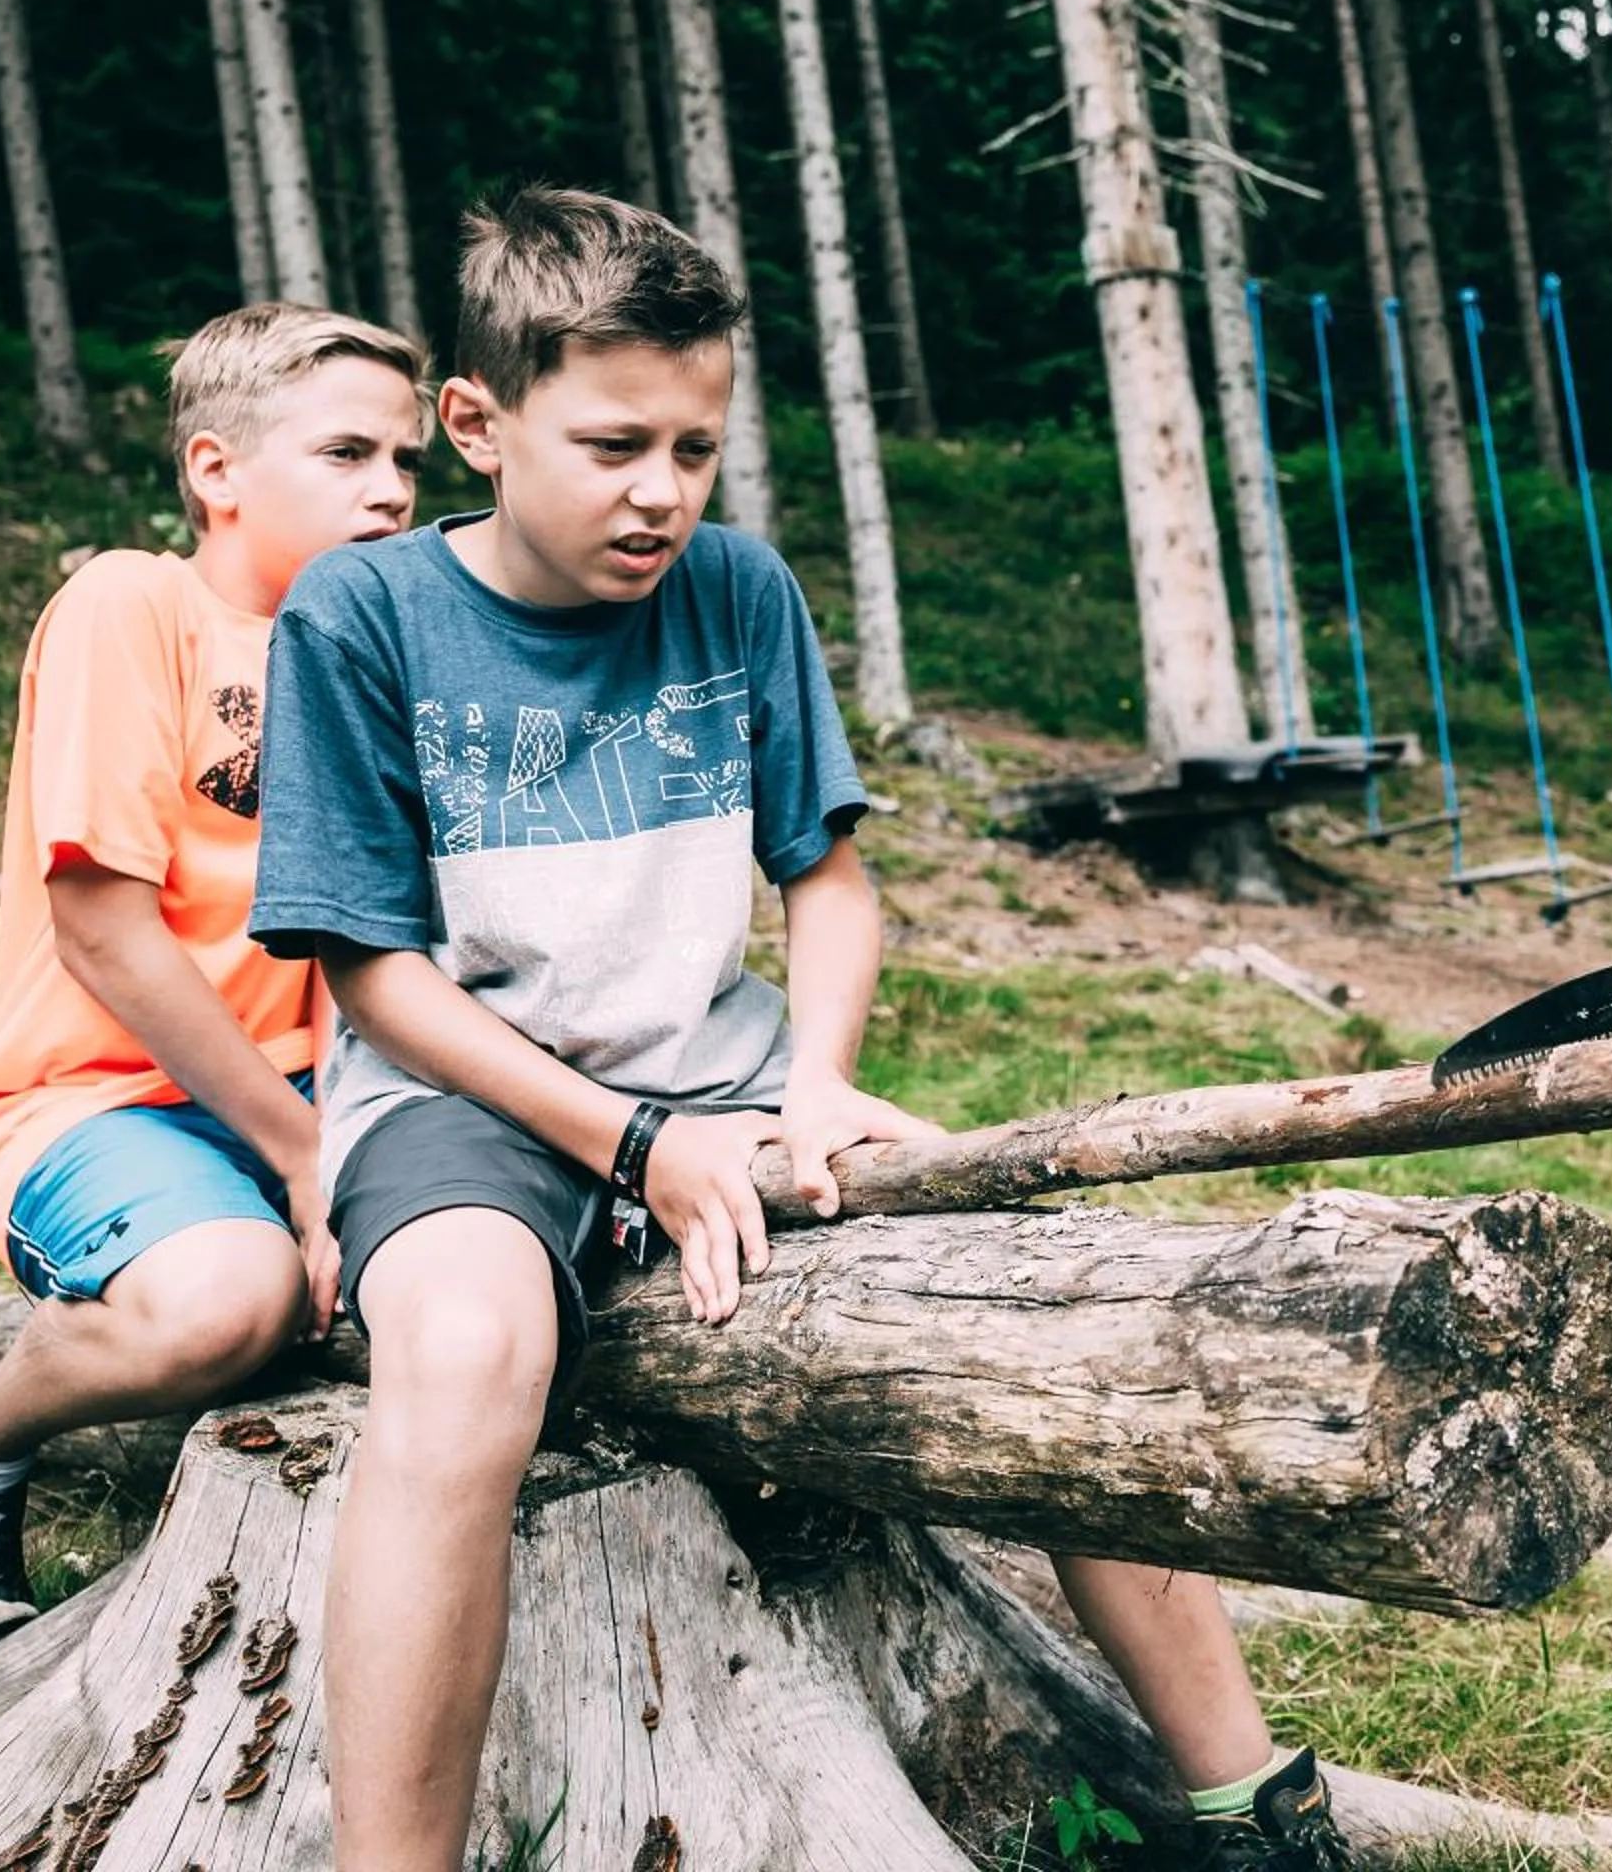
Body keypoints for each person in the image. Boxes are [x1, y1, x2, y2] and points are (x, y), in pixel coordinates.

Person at [249, 186, 1351, 1872]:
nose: (661, 494)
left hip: (728, 1074)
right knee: (469, 1358)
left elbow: (827, 884)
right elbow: (376, 980)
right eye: (616, 443)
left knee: (1028, 1280)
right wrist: (636, 1147)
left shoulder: (739, 592)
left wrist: (816, 1080)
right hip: (463, 1103)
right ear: (474, 423)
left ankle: (1249, 1807)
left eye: (695, 450)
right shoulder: (363, 615)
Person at [0, 304, 430, 1678]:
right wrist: (308, 1162)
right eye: (350, 452)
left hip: (323, 1092)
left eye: (411, 463)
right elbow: (106, 933)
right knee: (224, 1307)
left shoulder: (372, 661)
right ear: (215, 470)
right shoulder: (136, 604)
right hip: (92, 1098)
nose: (394, 491)